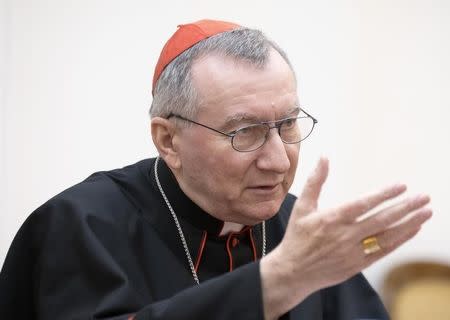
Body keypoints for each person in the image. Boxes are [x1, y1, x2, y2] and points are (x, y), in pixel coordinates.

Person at [0, 19, 432, 320]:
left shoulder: (302, 230)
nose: (279, 161)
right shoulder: (81, 225)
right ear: (168, 140)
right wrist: (275, 282)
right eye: (244, 132)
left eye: (287, 125)